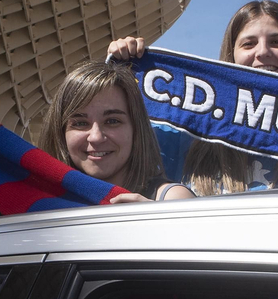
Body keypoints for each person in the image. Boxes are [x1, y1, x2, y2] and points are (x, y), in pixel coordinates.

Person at [108, 1, 278, 195]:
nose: (262, 52)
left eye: (277, 42)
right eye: (248, 44)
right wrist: (122, 69)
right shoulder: (188, 133)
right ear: (231, 56)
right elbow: (111, 149)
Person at [36, 60, 195, 203]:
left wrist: (156, 224)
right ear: (60, 132)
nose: (96, 137)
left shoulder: (172, 200)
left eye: (112, 121)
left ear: (136, 128)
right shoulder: (40, 203)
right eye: (80, 123)